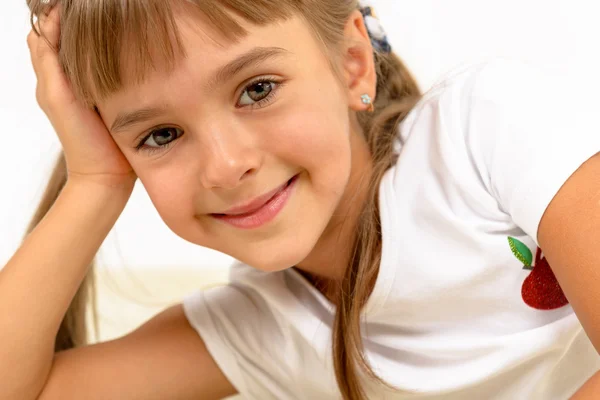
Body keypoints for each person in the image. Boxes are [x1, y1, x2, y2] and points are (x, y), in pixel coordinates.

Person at [2, 0, 599, 399]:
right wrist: (93, 183)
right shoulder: (259, 327)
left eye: (257, 89)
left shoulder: (487, 129)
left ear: (352, 64)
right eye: (159, 135)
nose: (226, 165)